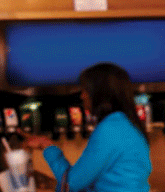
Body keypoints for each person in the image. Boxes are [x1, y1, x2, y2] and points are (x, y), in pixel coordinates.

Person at [23, 63, 152, 192]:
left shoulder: (111, 129)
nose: (82, 96)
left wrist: (46, 146)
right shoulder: (128, 124)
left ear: (99, 92)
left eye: (85, 90)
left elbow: (70, 184)